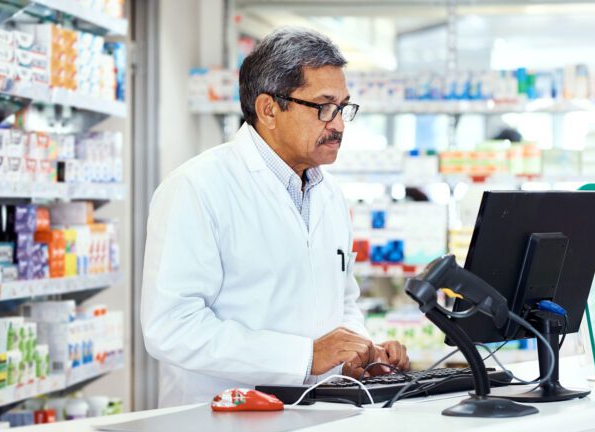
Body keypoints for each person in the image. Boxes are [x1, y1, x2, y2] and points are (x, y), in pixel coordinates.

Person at [141, 27, 410, 407]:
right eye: (324, 107)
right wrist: (303, 357)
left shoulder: (328, 193)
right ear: (269, 109)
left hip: (320, 409)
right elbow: (170, 328)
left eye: (343, 107)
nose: (338, 124)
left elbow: (343, 302)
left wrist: (360, 352)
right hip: (222, 415)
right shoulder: (197, 187)